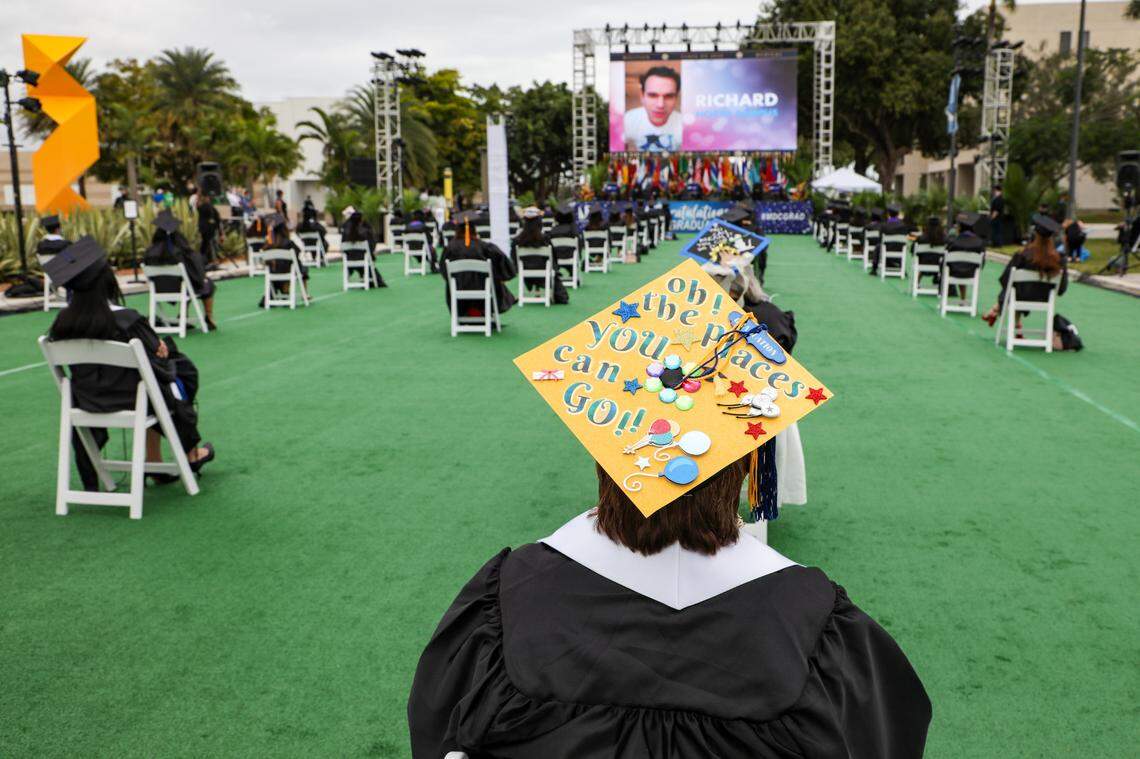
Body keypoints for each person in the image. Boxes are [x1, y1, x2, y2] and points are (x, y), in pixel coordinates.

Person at [408, 318, 931, 758]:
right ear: (743, 472)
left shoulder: (511, 590)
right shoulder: (814, 619)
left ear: (606, 459)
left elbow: (440, 730)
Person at [44, 237, 215, 490]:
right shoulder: (126, 320)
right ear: (107, 282)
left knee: (157, 378)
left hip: (87, 401)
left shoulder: (60, 324)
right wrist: (163, 353)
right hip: (135, 401)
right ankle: (188, 454)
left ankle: (154, 461)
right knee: (178, 374)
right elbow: (155, 362)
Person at [983, 213, 1068, 327]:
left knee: (1014, 288)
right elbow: (1061, 289)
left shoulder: (1023, 255)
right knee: (1019, 289)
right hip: (1044, 298)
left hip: (1021, 296)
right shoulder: (1059, 259)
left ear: (1035, 234)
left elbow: (1005, 280)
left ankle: (996, 310)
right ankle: (1013, 321)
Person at [143, 211, 217, 329]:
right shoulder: (180, 251)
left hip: (158, 290)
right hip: (182, 289)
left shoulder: (149, 252)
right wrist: (201, 277)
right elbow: (195, 272)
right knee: (204, 283)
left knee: (186, 282)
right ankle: (208, 316)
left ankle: (183, 315)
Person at [440, 210, 517, 317]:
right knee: (495, 280)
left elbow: (444, 272)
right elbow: (503, 263)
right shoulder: (484, 246)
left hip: (458, 291)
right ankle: (482, 310)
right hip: (484, 291)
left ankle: (468, 312)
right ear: (473, 229)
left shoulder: (450, 248)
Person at [511, 208, 569, 304]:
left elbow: (514, 260)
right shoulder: (545, 239)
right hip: (544, 274)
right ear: (539, 222)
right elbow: (553, 258)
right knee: (563, 297)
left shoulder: (517, 241)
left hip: (525, 274)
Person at [623, 65, 683, 152]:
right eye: (653, 95)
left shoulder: (686, 126)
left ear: (676, 98)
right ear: (642, 96)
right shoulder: (627, 120)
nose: (660, 105)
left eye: (669, 96)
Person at [340, 206, 387, 287]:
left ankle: (364, 276)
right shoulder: (365, 231)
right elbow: (372, 245)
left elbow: (342, 246)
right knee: (367, 259)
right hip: (364, 258)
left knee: (360, 257)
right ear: (361, 220)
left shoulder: (346, 231)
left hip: (349, 259)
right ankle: (374, 279)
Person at [870, 203, 912, 275]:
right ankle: (901, 268)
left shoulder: (884, 225)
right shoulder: (903, 225)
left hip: (886, 249)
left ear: (888, 213)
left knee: (878, 247)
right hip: (900, 249)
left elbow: (880, 239)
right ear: (898, 214)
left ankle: (874, 269)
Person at [195, 195, 223, 264]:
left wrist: (220, 233)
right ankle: (207, 261)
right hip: (206, 230)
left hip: (210, 230)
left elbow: (217, 219)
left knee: (209, 245)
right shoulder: (203, 207)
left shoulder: (210, 208)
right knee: (207, 245)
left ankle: (210, 260)